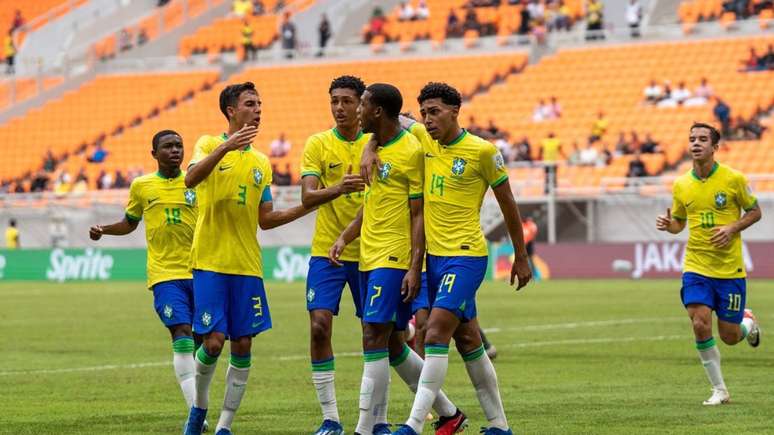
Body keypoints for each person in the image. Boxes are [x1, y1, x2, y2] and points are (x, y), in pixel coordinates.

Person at [360, 82, 531, 435]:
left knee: (434, 333)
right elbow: (386, 123)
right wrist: (369, 146)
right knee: (468, 340)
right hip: (434, 261)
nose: (427, 119)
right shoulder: (424, 139)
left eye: (434, 111)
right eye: (424, 112)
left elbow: (508, 203)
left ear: (455, 110)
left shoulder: (482, 151)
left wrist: (521, 255)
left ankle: (413, 425)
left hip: (466, 256)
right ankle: (499, 425)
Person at [336, 83, 467, 435]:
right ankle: (450, 413)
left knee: (372, 334)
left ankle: (366, 426)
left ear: (377, 111)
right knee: (393, 343)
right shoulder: (378, 147)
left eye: (362, 105)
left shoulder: (412, 150)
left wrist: (413, 266)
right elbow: (375, 201)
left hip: (393, 257)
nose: (357, 112)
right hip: (369, 254)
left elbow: (417, 214)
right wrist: (348, 235)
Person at [182, 82, 312, 435]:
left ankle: (224, 425)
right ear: (231, 110)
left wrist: (307, 206)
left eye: (260, 104)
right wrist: (226, 147)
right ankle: (199, 408)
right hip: (210, 261)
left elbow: (266, 219)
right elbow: (191, 179)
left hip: (247, 267)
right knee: (213, 341)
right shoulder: (209, 144)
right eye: (250, 104)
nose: (258, 110)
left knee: (242, 343)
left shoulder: (261, 163)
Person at [89, 130, 205, 429]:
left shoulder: (197, 181)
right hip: (165, 274)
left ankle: (198, 400)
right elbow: (130, 223)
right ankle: (197, 412)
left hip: (201, 270)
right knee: (180, 332)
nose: (175, 150)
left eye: (179, 145)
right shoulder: (142, 186)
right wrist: (104, 229)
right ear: (154, 153)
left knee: (202, 342)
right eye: (168, 146)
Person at [656, 122, 762, 406]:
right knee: (700, 323)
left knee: (729, 336)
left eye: (703, 139)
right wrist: (670, 225)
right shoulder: (681, 184)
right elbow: (680, 223)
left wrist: (732, 228)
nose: (696, 143)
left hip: (729, 270)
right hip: (696, 266)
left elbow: (755, 211)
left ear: (715, 147)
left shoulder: (734, 179)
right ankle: (720, 390)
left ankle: (747, 323)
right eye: (692, 139)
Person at [299, 76, 370, 435]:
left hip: (372, 253)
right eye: (334, 101)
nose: (339, 108)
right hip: (327, 251)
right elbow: (307, 197)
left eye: (346, 101)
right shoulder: (318, 144)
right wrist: (338, 187)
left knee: (382, 335)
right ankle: (330, 418)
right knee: (318, 325)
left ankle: (376, 418)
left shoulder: (376, 144)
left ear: (361, 105)